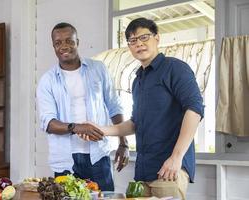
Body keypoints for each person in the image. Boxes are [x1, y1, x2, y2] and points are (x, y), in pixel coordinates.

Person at [83, 18, 204, 199]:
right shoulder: (138, 80)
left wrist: (176, 158)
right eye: (132, 41)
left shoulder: (175, 68)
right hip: (143, 173)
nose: (138, 43)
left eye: (144, 37)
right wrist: (101, 130)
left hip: (168, 170)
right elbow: (134, 124)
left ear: (157, 38)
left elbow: (194, 110)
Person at [36, 22, 129, 191]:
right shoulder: (47, 80)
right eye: (58, 43)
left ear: (77, 42)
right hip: (65, 160)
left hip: (98, 155)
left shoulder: (98, 69)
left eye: (69, 41)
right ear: (53, 46)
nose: (64, 46)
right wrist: (79, 128)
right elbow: (48, 123)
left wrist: (124, 143)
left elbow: (114, 106)